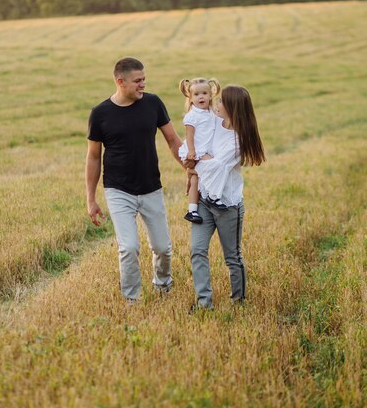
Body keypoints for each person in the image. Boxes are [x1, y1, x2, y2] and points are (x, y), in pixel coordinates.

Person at [85, 57, 183, 304]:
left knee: (162, 247)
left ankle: (163, 286)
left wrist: (191, 170)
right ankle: (132, 301)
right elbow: (94, 158)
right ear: (121, 81)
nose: (143, 85)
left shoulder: (153, 103)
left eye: (144, 79)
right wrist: (91, 199)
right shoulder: (100, 114)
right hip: (118, 189)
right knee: (128, 247)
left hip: (151, 186)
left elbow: (173, 140)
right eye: (137, 81)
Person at [189, 85, 265, 310]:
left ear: (232, 107)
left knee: (232, 257)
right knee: (197, 250)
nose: (216, 104)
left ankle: (238, 302)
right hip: (203, 199)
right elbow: (200, 149)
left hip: (227, 206)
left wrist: (199, 164)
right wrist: (201, 160)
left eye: (221, 102)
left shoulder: (239, 140)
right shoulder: (214, 122)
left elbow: (215, 167)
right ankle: (204, 303)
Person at [178, 77, 220, 224]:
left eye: (204, 93)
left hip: (206, 149)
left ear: (210, 95)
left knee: (195, 178)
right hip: (196, 150)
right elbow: (189, 135)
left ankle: (192, 210)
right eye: (196, 94)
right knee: (214, 166)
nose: (200, 97)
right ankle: (214, 198)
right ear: (190, 98)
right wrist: (191, 151)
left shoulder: (211, 112)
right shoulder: (192, 115)